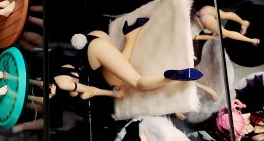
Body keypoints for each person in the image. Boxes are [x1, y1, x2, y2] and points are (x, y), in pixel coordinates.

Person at [67, 18, 203, 96]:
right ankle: (130, 36)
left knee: (135, 82)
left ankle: (169, 78)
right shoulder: (60, 75)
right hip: (93, 37)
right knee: (116, 67)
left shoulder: (62, 84)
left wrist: (114, 94)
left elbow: (87, 91)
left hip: (95, 50)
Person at [194, 5, 259, 45]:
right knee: (225, 16)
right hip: (203, 13)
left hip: (204, 16)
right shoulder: (214, 31)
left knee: (225, 30)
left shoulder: (211, 29)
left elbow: (198, 37)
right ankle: (244, 24)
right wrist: (215, 36)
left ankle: (251, 37)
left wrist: (214, 37)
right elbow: (198, 37)